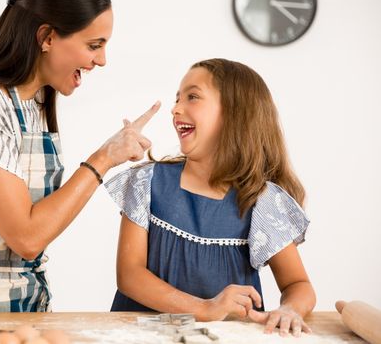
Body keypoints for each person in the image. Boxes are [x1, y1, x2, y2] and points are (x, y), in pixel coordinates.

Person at [0, 0, 160, 312]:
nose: (102, 60)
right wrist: (104, 157)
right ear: (47, 38)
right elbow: (27, 237)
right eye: (94, 45)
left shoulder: (34, 104)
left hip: (25, 302)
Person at [105, 58, 316, 336]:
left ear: (234, 114)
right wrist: (204, 307)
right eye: (177, 98)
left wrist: (291, 309)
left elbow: (298, 285)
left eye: (192, 97)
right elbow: (130, 276)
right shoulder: (148, 181)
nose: (176, 108)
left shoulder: (260, 201)